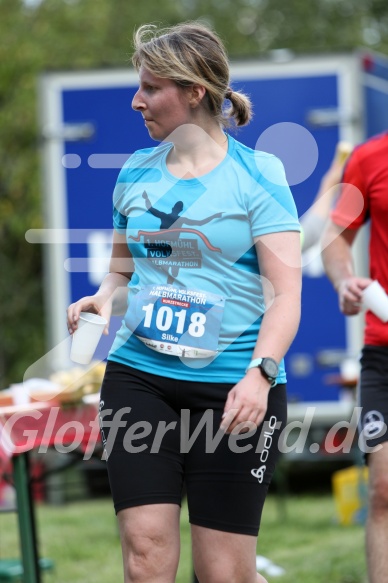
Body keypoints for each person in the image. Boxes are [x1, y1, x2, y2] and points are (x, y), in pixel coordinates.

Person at [67, 22, 301, 583]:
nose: (136, 100)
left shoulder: (258, 175)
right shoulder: (134, 174)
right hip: (140, 378)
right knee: (146, 557)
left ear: (194, 91)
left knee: (224, 573)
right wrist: (102, 299)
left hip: (236, 389)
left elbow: (287, 293)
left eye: (150, 88)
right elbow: (122, 270)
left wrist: (260, 376)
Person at [321, 131, 388, 583]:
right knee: (383, 490)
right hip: (384, 348)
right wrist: (345, 281)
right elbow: (334, 238)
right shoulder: (370, 157)